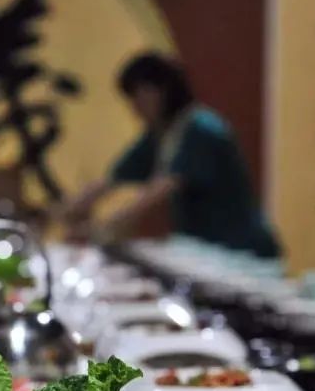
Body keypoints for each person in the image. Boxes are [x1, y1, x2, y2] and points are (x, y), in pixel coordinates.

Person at [64, 52, 281, 256]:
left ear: (162, 91)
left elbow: (160, 190)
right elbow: (113, 178)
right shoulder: (162, 134)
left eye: (140, 97)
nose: (135, 108)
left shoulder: (201, 129)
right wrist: (77, 205)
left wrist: (105, 227)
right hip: (204, 250)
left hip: (238, 251)